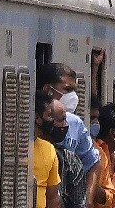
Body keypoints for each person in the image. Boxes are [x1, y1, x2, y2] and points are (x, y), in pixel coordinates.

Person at [34, 63, 100, 194]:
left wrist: (85, 201)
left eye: (75, 90)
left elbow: (94, 162)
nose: (74, 96)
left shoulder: (74, 123)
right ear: (48, 89)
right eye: (67, 90)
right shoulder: (33, 123)